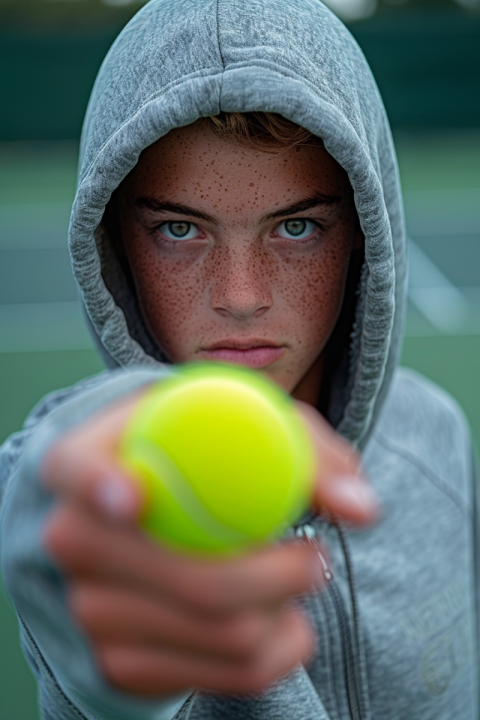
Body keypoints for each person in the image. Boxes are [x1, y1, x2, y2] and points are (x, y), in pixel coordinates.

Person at [1, 0, 478, 718]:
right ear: (116, 244)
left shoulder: (438, 435)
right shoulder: (93, 488)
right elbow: (56, 496)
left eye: (295, 227)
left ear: (360, 229)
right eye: (179, 230)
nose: (241, 296)